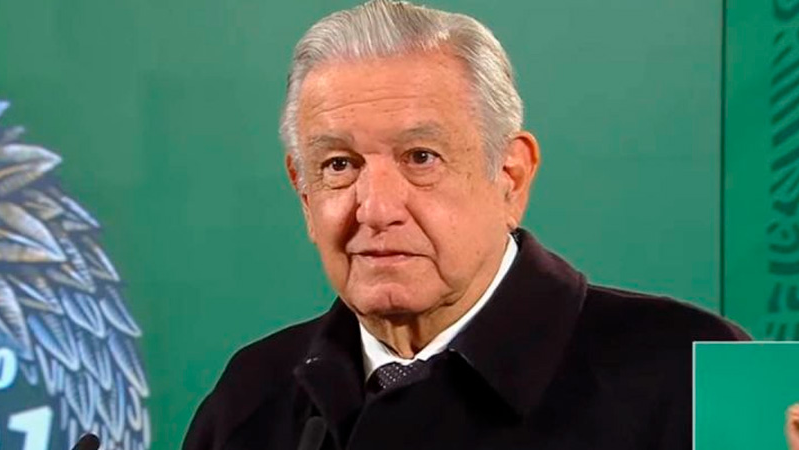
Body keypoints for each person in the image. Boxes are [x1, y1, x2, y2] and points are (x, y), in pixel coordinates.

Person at [182, 1, 749, 449]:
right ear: (304, 194)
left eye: (421, 158)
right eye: (339, 165)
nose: (376, 208)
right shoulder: (250, 396)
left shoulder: (692, 376)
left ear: (511, 177)